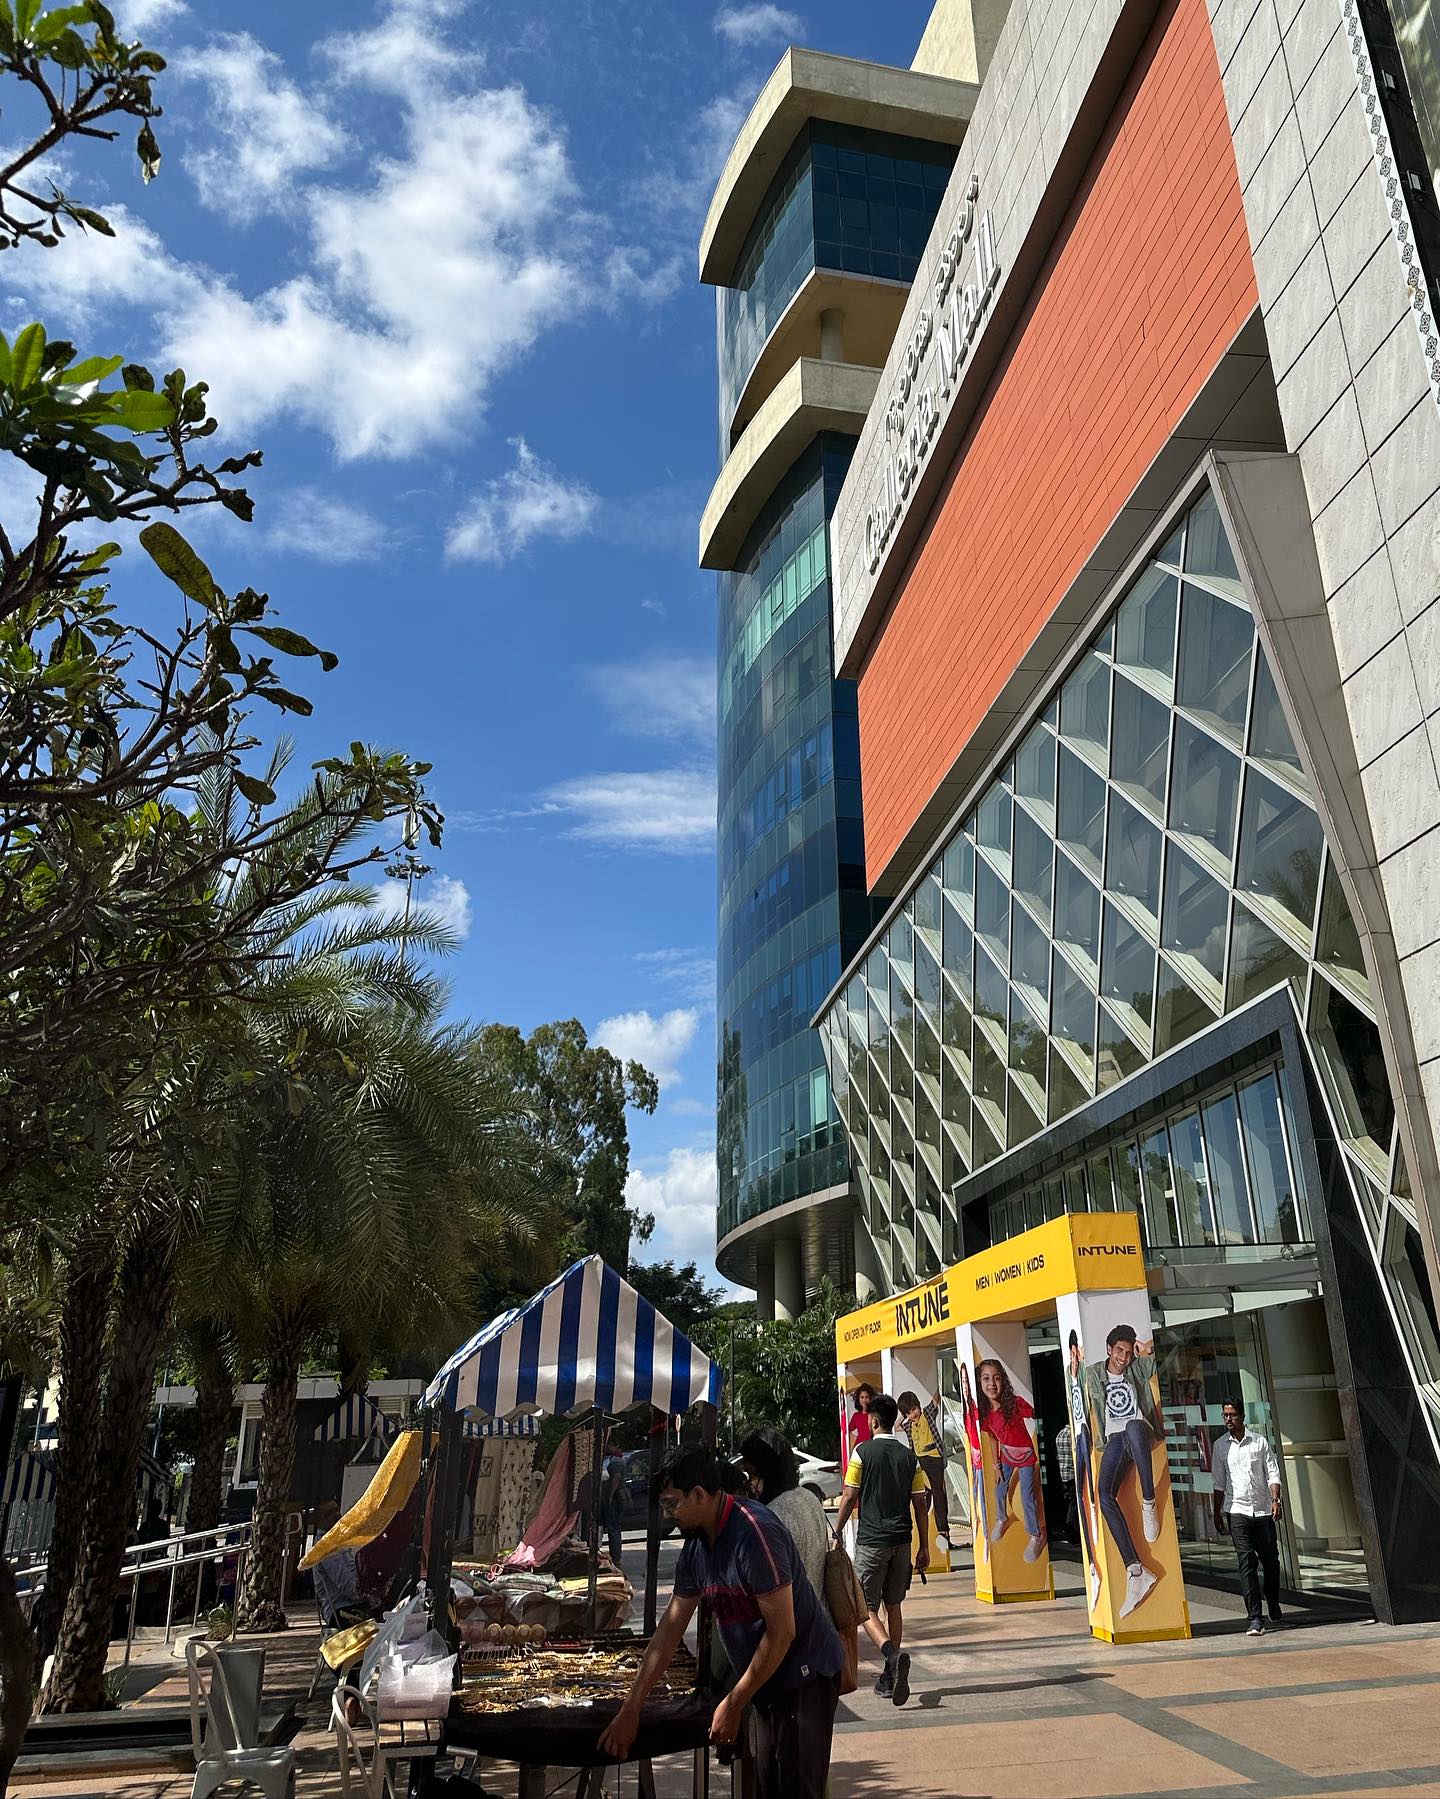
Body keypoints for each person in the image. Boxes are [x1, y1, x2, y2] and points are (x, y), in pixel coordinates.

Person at [598, 1447, 841, 1799]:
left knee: (797, 1788)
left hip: (804, 1676)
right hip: (766, 1683)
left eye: (672, 1504)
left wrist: (735, 1702)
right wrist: (632, 1706)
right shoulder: (696, 1547)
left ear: (699, 1494)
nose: (668, 1514)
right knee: (768, 1784)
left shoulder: (755, 1533)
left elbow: (782, 1632)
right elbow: (669, 1631)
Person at [834, 1393, 928, 1706]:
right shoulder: (909, 1457)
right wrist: (924, 1545)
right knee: (894, 1605)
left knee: (865, 1608)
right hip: (902, 1542)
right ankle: (890, 1677)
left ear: (873, 1421)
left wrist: (836, 1532)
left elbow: (849, 1496)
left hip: (872, 1542)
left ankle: (891, 1656)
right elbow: (920, 1503)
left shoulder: (861, 1452)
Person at [1083, 1323, 1162, 1620]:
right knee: (1103, 1495)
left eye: (1128, 1353)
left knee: (1132, 1425)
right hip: (1114, 1440)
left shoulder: (1136, 1368)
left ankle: (1149, 1502)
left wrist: (1145, 1348)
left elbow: (1159, 1355)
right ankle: (1136, 1569)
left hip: (1139, 1432)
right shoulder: (1093, 1374)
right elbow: (1072, 1381)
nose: (1124, 1358)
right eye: (1119, 1351)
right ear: (1109, 1349)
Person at [1210, 1397, 1284, 1637]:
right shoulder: (1220, 1446)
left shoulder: (1259, 1442)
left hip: (1262, 1511)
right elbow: (1218, 1483)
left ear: (1242, 1416)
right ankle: (1255, 1618)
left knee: (1270, 1561)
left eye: (1232, 1415)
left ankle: (1272, 1599)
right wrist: (1217, 1512)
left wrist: (1275, 1500)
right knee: (1246, 1562)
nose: (1228, 1419)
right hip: (1237, 1511)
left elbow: (1273, 1473)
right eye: (1225, 1415)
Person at [739, 1427, 828, 1600]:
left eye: (753, 1475)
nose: (750, 1484)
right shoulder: (809, 1497)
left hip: (792, 1613)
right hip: (817, 1609)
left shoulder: (773, 1516)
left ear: (767, 1472)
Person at [975, 1360, 1044, 1564]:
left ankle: (1035, 1535)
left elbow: (1035, 1413)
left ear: (1003, 1381)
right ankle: (1001, 1517)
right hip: (1006, 1455)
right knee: (999, 1490)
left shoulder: (1015, 1403)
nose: (992, 1384)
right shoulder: (984, 1413)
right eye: (986, 1379)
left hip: (1026, 1455)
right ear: (980, 1382)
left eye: (996, 1378)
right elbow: (992, 1437)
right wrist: (996, 1465)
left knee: (1026, 1495)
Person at [1063, 1330, 1103, 1607]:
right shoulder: (1070, 1375)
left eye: (1076, 1351)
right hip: (1079, 1435)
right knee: (1079, 1492)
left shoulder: (1087, 1374)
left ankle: (1094, 1507)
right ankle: (1091, 1563)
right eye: (1072, 1352)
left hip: (1089, 1433)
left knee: (1091, 1488)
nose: (1075, 1356)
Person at [896, 1388, 950, 1551]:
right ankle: (925, 1521)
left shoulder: (927, 1414)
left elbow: (935, 1400)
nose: (913, 1414)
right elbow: (896, 1426)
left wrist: (940, 1383)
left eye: (914, 1409)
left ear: (918, 1406)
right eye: (909, 1413)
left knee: (938, 1491)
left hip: (934, 1457)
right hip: (920, 1460)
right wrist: (904, 1415)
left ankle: (943, 1529)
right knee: (925, 1491)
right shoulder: (909, 1425)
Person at [310, 1501, 365, 1627]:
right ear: (319, 1521)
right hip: (341, 1610)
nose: (336, 1515)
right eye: (329, 1514)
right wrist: (368, 1595)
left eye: (336, 1510)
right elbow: (348, 1587)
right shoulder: (324, 1547)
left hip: (352, 1604)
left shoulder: (337, 1541)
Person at [958, 1362, 989, 1556]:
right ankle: (980, 1534)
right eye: (962, 1382)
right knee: (976, 1499)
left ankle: (985, 1537)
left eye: (966, 1381)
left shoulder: (975, 1408)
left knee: (983, 1501)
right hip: (974, 1461)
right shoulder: (966, 1409)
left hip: (982, 1460)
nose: (965, 1386)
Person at [602, 1446, 627, 1567]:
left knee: (613, 1528)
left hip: (615, 1499)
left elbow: (616, 1478)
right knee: (614, 1528)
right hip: (616, 1498)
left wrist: (610, 1495)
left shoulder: (616, 1461)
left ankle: (616, 1558)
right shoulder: (615, 1460)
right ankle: (616, 1557)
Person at [846, 1383, 875, 1458]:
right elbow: (848, 1430)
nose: (864, 1400)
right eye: (862, 1397)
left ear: (870, 1398)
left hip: (871, 1446)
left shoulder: (874, 1414)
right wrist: (854, 1439)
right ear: (858, 1399)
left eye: (867, 1397)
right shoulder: (856, 1416)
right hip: (859, 1446)